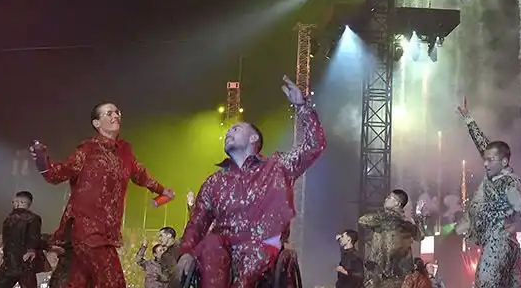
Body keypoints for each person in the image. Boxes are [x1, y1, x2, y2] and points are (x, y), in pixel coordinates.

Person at [175, 77, 325, 288]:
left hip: (263, 244)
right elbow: (197, 221)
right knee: (209, 244)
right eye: (228, 131)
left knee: (256, 250)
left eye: (236, 129)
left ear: (254, 138)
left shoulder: (277, 167)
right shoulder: (215, 182)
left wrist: (302, 107)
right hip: (223, 246)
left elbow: (314, 146)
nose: (229, 132)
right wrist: (185, 253)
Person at [32, 104, 176, 288]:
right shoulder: (87, 150)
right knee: (113, 282)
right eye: (109, 113)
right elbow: (56, 174)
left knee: (77, 282)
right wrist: (42, 161)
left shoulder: (125, 152)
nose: (116, 115)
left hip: (106, 232)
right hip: (87, 229)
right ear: (96, 122)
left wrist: (162, 191)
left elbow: (141, 175)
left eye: (117, 112)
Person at [454, 101, 521, 288]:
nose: (485, 164)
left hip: (498, 245)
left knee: (485, 284)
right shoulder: (492, 175)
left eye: (490, 160)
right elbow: (483, 144)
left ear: (504, 161)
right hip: (506, 248)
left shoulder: (510, 184)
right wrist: (468, 119)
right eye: (485, 160)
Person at [359, 190, 424, 288]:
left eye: (389, 198)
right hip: (399, 274)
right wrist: (419, 216)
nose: (386, 199)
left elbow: (363, 220)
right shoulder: (406, 225)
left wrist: (385, 214)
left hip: (381, 273)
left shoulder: (382, 219)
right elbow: (420, 235)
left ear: (397, 203)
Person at [0, 191, 48, 288]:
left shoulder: (8, 219)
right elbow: (34, 238)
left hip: (10, 263)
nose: (13, 204)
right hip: (25, 263)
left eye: (14, 202)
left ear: (20, 202)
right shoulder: (34, 218)